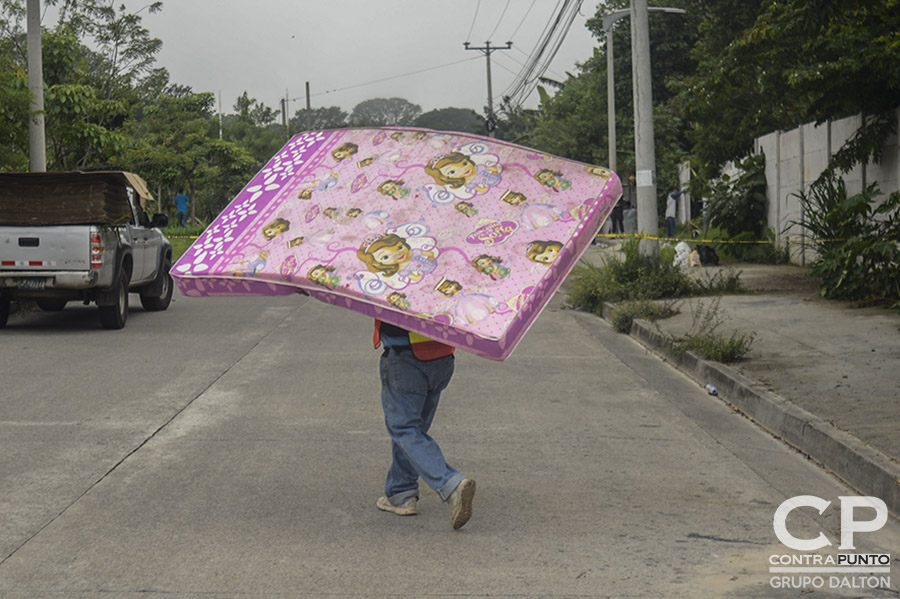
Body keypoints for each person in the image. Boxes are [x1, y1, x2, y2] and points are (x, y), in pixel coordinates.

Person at [373, 320, 476, 530]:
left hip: (405, 357)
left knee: (405, 429)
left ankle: (451, 483)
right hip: (442, 356)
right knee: (414, 432)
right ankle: (401, 492)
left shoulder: (402, 285)